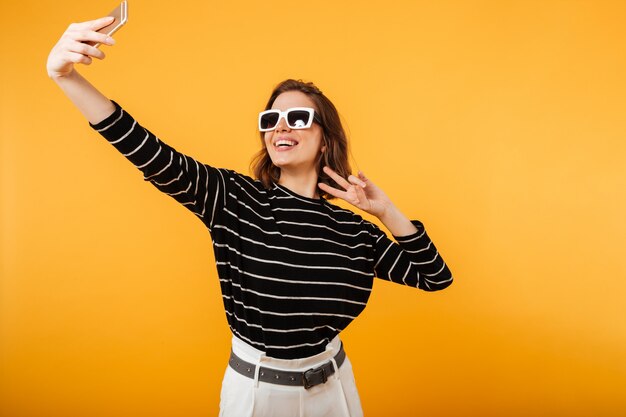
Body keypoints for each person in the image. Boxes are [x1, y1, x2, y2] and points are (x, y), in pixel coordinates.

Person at [47, 16, 453, 417]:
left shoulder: (353, 230)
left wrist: (386, 211)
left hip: (336, 389)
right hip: (260, 394)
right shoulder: (232, 198)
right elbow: (148, 151)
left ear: (326, 139)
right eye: (270, 120)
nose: (280, 127)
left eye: (297, 118)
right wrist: (65, 76)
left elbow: (436, 277)